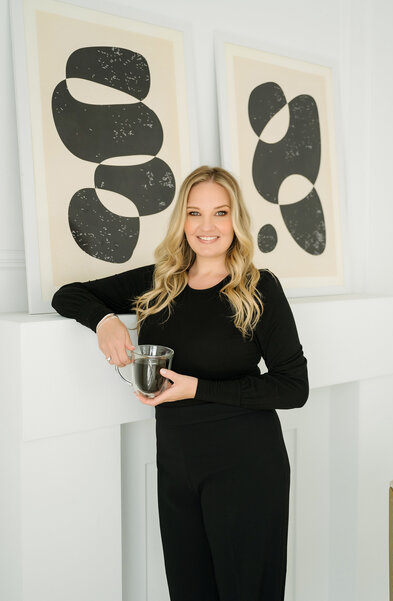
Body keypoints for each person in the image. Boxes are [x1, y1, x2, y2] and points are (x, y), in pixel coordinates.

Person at [52, 165, 309, 601]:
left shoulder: (259, 288)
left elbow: (293, 387)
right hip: (176, 468)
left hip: (246, 469)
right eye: (195, 213)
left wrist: (198, 388)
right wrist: (105, 321)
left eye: (220, 213)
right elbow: (68, 294)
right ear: (182, 220)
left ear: (236, 220)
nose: (206, 226)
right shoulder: (160, 282)